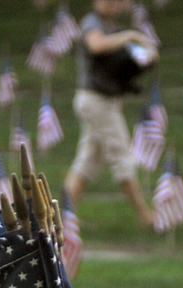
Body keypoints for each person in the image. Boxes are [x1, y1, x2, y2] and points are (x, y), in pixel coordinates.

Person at [63, 0, 158, 230]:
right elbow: (95, 45)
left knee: (87, 161)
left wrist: (144, 56)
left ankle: (63, 217)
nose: (113, 4)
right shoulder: (93, 22)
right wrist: (130, 36)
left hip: (106, 99)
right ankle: (145, 215)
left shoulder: (113, 28)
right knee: (121, 155)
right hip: (96, 100)